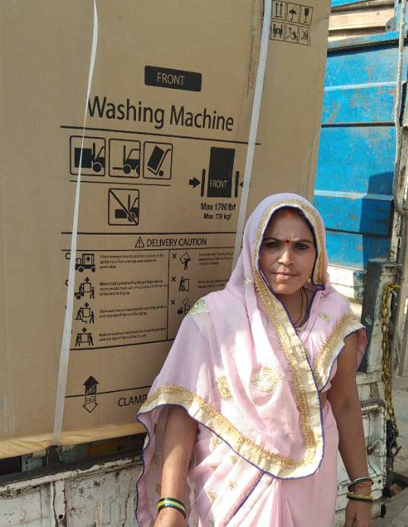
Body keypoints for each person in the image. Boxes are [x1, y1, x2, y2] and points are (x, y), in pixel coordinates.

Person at [136, 193, 372, 527]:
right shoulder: (213, 317)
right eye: (273, 245)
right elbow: (185, 409)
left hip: (310, 487)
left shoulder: (334, 317)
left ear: (318, 254)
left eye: (301, 247)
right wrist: (171, 504)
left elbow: (345, 402)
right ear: (253, 250)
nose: (286, 258)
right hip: (232, 489)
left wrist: (361, 488)